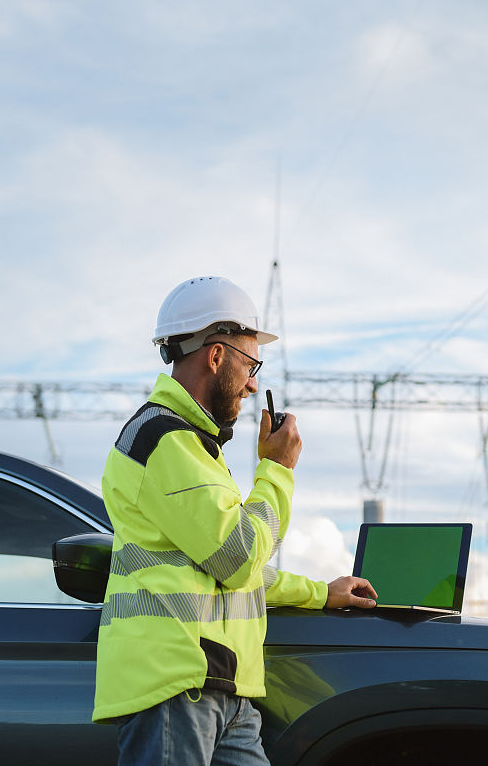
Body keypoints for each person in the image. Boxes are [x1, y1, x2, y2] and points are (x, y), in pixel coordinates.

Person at [92, 275, 377, 765]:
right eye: (250, 364)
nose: (253, 383)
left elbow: (228, 573)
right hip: (177, 684)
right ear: (217, 356)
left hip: (219, 687)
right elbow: (240, 557)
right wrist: (277, 470)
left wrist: (319, 593)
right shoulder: (165, 440)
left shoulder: (195, 446)